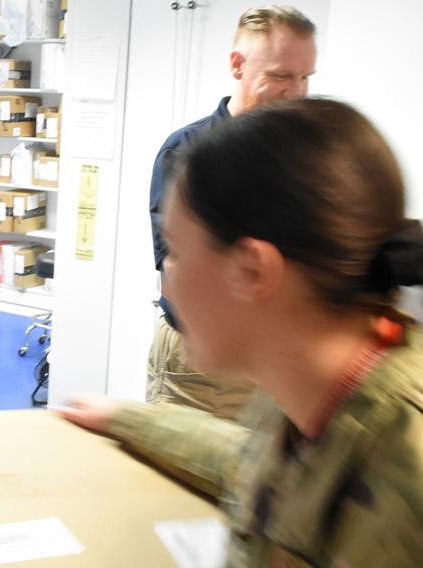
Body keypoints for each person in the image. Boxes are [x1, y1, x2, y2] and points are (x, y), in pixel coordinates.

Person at [61, 98, 423, 565]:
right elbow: (246, 461)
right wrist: (122, 418)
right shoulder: (315, 391)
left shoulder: (409, 464)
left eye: (176, 249)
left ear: (252, 271)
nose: (166, 277)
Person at [148, 5, 317, 419]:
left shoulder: (307, 155)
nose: (295, 92)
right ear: (237, 65)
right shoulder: (189, 154)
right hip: (203, 366)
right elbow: (175, 275)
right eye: (280, 76)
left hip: (283, 364)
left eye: (305, 77)